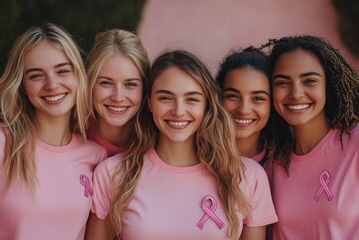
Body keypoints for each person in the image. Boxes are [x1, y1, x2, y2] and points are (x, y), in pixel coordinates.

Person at [85, 50, 277, 240]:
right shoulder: (113, 174)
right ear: (150, 103)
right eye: (165, 98)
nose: (178, 111)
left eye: (191, 99)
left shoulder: (248, 177)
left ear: (206, 106)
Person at [0, 22, 107, 240]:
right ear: (22, 85)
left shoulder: (96, 156)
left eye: (62, 71)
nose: (52, 84)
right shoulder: (2, 142)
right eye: (36, 75)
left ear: (78, 76)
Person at [264, 35, 359, 239]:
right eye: (282, 82)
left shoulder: (356, 144)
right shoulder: (273, 164)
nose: (296, 93)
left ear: (328, 84)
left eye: (309, 81)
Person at [86, 28, 150, 157]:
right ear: (90, 83)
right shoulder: (70, 135)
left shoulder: (156, 145)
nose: (118, 97)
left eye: (130, 84)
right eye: (106, 83)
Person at [216, 47, 272, 166]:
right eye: (233, 96)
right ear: (218, 97)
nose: (243, 110)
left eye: (257, 98)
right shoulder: (196, 157)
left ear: (272, 104)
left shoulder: (283, 163)